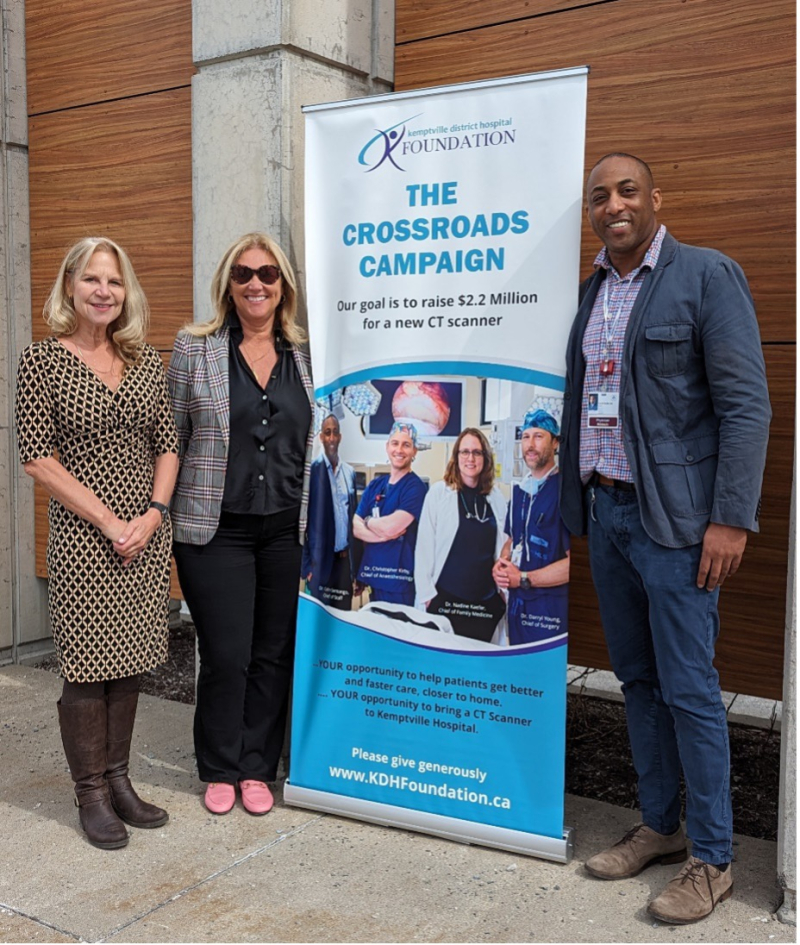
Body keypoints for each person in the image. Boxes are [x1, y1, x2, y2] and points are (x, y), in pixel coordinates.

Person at [559, 153, 771, 924]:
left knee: (689, 688)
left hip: (680, 527)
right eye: (599, 196)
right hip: (609, 516)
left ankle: (712, 859)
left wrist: (730, 518)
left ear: (655, 198)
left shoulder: (706, 276)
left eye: (626, 190)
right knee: (637, 681)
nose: (612, 204)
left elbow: (747, 407)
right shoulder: (593, 293)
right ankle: (659, 824)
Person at [15, 237, 179, 850]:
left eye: (113, 281)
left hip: (144, 539)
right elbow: (38, 459)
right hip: (87, 541)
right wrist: (111, 521)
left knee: (130, 662)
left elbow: (168, 445)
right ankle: (90, 792)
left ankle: (120, 780)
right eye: (91, 280)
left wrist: (154, 515)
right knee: (87, 670)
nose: (103, 291)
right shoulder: (41, 361)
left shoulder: (144, 362)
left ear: (126, 291)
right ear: (70, 288)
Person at [167, 233, 314, 817]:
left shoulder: (308, 354)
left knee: (273, 651)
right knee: (227, 653)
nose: (256, 283)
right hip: (213, 528)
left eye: (269, 274)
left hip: (286, 527)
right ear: (228, 284)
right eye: (244, 273)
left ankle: (258, 767)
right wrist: (155, 510)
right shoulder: (193, 348)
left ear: (284, 286)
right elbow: (170, 437)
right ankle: (220, 766)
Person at [414, 428, 507, 642]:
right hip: (446, 601)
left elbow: (503, 548)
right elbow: (424, 548)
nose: (470, 458)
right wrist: (428, 596)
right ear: (456, 457)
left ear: (485, 457)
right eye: (464, 452)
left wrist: (502, 595)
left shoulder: (495, 497)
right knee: (445, 667)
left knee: (479, 668)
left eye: (477, 452)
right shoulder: (439, 493)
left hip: (485, 605)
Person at [493, 410, 570, 644]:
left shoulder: (564, 494)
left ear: (555, 442)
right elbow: (512, 540)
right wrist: (501, 565)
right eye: (525, 437)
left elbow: (571, 565)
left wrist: (524, 578)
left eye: (538, 436)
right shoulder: (520, 492)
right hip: (517, 607)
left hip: (548, 612)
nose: (530, 444)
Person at [353, 422, 428, 606]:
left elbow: (392, 527)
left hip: (399, 583)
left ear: (414, 451)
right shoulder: (375, 485)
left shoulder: (415, 487)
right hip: (374, 578)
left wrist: (369, 522)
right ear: (387, 447)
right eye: (395, 443)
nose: (399, 450)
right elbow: (355, 526)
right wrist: (381, 536)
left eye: (406, 445)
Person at [302, 414, 357, 610]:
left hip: (343, 565)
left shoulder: (349, 473)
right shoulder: (311, 473)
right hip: (320, 566)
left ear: (340, 437)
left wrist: (355, 569)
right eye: (327, 433)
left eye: (335, 433)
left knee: (343, 619)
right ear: (321, 438)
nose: (331, 438)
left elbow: (354, 522)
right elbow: (301, 522)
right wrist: (306, 566)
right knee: (320, 621)